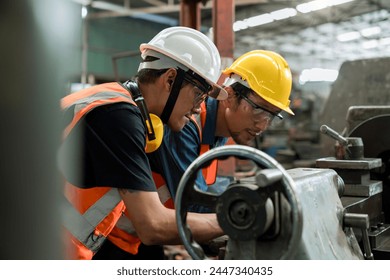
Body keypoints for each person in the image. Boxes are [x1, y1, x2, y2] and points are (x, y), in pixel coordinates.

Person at [98, 50, 295, 259]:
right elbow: (193, 203)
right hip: (105, 237)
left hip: (134, 238)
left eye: (272, 116)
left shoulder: (215, 134)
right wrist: (249, 210)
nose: (263, 124)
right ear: (231, 96)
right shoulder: (184, 123)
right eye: (259, 110)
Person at [58, 26, 228, 260]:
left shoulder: (114, 103)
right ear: (170, 79)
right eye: (199, 94)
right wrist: (230, 221)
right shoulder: (118, 116)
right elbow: (152, 225)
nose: (199, 107)